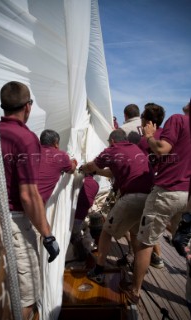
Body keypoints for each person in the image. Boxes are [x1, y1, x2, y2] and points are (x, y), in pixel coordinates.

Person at [0, 81, 59, 320]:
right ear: (28, 107)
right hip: (13, 226)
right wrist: (47, 234)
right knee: (26, 297)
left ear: (3, 106)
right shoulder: (25, 138)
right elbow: (29, 195)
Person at [119, 109, 191, 304]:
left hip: (167, 192)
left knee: (145, 242)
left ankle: (135, 290)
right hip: (187, 195)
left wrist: (149, 136)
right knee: (187, 245)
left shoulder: (178, 120)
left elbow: (161, 149)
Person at [80, 129, 154, 284]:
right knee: (136, 234)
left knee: (106, 232)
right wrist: (98, 172)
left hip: (131, 197)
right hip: (149, 198)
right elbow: (112, 173)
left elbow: (92, 165)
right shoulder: (135, 149)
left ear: (112, 141)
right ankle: (136, 267)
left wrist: (83, 168)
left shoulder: (112, 150)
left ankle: (98, 270)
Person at [138, 103, 166, 269]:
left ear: (146, 122)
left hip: (149, 186)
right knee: (155, 224)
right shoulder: (166, 136)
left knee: (146, 225)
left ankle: (147, 259)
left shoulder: (144, 142)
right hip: (164, 186)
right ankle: (159, 256)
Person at [38, 129, 77, 204]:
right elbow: (71, 170)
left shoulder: (30, 152)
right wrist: (74, 162)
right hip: (36, 205)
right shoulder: (60, 155)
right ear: (56, 143)